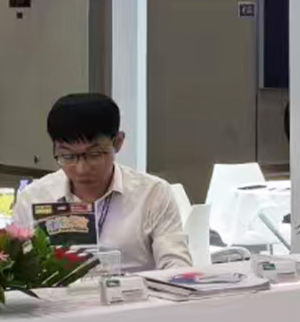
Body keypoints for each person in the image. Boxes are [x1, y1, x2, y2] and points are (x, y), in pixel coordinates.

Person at [16, 93, 189, 272]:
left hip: (135, 289)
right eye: (68, 156)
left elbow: (177, 269)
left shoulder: (152, 194)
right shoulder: (34, 197)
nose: (81, 169)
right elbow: (17, 271)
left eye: (94, 154)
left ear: (118, 142)